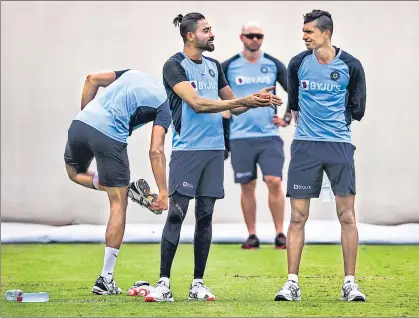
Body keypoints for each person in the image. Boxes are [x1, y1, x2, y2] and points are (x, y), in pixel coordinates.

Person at [145, 12, 283, 302]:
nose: (212, 34)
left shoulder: (214, 66)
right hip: (187, 152)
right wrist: (241, 100)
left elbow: (234, 108)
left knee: (205, 217)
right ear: (190, 35)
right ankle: (164, 283)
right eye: (207, 30)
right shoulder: (174, 66)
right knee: (176, 215)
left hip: (214, 152)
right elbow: (197, 104)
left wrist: (254, 100)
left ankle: (198, 283)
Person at [274, 10, 367, 302]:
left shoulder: (352, 65)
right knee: (298, 216)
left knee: (346, 216)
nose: (304, 37)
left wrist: (332, 127)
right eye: (303, 32)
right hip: (304, 146)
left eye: (309, 32)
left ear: (326, 33)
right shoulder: (297, 64)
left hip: (339, 146)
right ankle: (291, 283)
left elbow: (358, 109)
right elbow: (295, 105)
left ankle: (350, 284)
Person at [64, 69, 171, 295]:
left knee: (74, 172)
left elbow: (91, 79)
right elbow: (156, 150)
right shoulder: (166, 104)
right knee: (117, 203)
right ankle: (106, 278)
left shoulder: (133, 73)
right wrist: (163, 192)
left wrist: (89, 116)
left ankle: (124, 189)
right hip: (109, 136)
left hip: (80, 123)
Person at [221, 22, 290, 250]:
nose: (255, 39)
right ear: (241, 38)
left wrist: (287, 117)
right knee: (247, 185)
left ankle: (280, 233)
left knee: (274, 181)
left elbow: (295, 91)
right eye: (250, 36)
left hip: (269, 136)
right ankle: (252, 235)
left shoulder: (272, 64)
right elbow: (214, 96)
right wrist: (224, 120)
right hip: (240, 137)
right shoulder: (229, 66)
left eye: (259, 36)